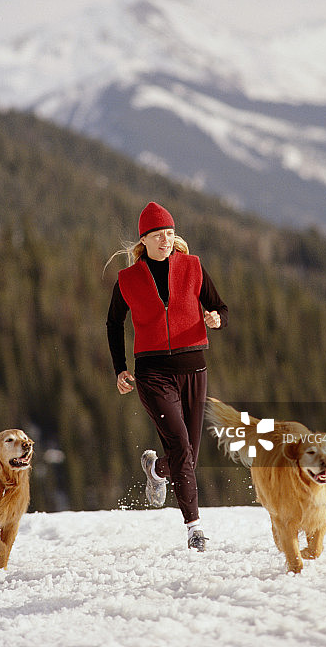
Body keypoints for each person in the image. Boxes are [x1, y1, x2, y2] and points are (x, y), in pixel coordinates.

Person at [106, 202, 228, 551]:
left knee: (186, 457)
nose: (166, 240)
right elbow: (113, 323)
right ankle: (194, 529)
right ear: (143, 240)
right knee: (180, 447)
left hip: (194, 369)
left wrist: (216, 318)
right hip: (153, 373)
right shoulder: (128, 279)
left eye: (170, 233)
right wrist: (120, 368)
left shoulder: (193, 267)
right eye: (158, 235)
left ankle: (156, 470)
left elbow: (219, 307)